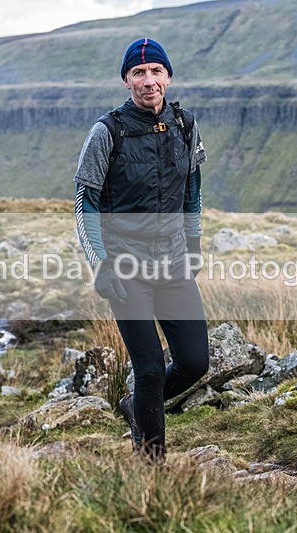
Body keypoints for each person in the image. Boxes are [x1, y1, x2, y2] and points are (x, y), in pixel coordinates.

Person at [73, 38, 210, 464]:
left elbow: (192, 190)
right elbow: (84, 203)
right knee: (149, 367)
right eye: (139, 73)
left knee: (195, 362)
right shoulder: (107, 131)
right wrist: (101, 264)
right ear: (126, 80)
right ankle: (152, 466)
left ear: (168, 76)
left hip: (172, 262)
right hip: (124, 265)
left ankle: (136, 405)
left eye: (156, 72)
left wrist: (193, 246)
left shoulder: (186, 125)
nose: (148, 81)